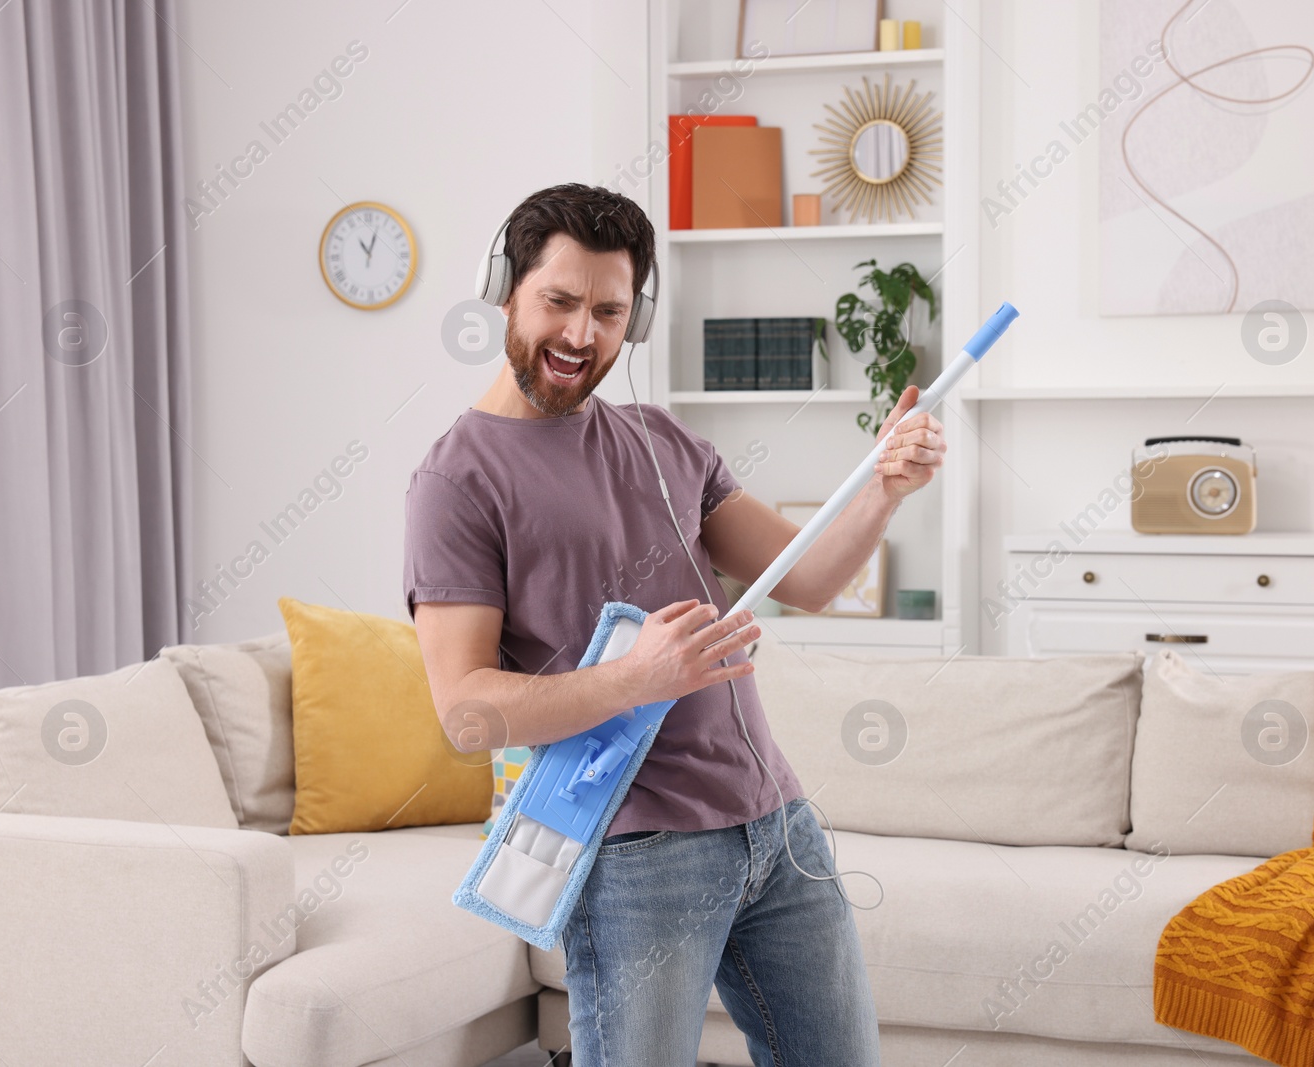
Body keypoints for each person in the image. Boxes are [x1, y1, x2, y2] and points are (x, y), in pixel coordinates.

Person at [404, 183, 946, 1067]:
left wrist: (883, 488)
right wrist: (636, 678)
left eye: (609, 311)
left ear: (637, 317)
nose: (582, 335)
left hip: (776, 825)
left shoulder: (663, 441)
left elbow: (805, 575)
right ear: (504, 288)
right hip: (636, 853)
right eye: (560, 301)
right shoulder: (456, 483)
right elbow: (464, 710)